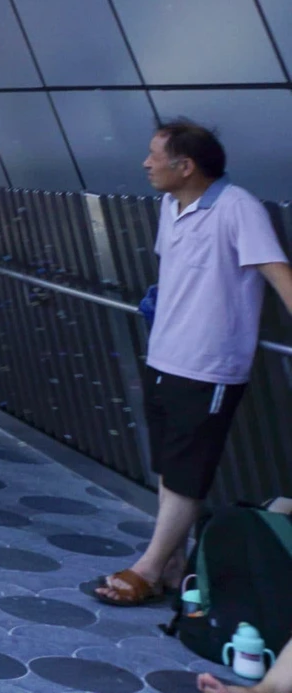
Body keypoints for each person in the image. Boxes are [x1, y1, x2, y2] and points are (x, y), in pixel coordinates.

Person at [93, 121, 292, 606]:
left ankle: (149, 565)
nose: (145, 164)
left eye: (154, 155)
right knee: (169, 466)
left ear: (186, 166)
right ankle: (175, 563)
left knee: (186, 471)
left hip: (209, 366)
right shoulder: (170, 205)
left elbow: (278, 275)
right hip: (163, 354)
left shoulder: (237, 208)